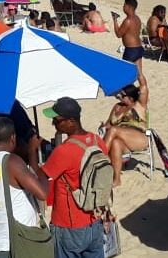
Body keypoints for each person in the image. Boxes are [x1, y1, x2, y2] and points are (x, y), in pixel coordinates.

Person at [37, 97, 110, 257]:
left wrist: (31, 152)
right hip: (94, 220)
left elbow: (40, 175)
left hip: (69, 225)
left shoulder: (64, 150)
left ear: (71, 121)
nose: (53, 124)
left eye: (56, 120)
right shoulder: (97, 141)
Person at [0, 117, 49, 258]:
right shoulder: (12, 161)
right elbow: (42, 193)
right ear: (13, 138)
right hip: (17, 241)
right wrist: (40, 169)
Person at [100, 79, 149, 187]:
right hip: (121, 139)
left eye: (122, 95)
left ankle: (100, 160)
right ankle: (117, 179)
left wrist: (138, 69)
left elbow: (144, 86)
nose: (118, 96)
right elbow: (109, 123)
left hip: (138, 137)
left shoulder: (139, 105)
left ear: (130, 98)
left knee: (114, 130)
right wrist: (104, 126)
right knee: (115, 143)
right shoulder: (117, 107)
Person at [112, 0, 144, 77]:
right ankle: (144, 89)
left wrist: (115, 20)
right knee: (140, 75)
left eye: (124, 5)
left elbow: (118, 34)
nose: (123, 7)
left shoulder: (128, 20)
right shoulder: (137, 18)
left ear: (129, 7)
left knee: (124, 74)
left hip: (131, 50)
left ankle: (125, 89)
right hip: (138, 48)